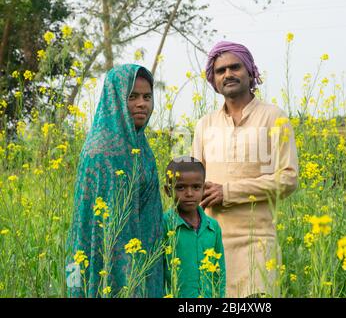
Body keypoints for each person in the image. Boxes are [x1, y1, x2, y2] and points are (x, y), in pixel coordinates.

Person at [192, 41, 299, 297]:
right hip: (211, 244)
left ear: (250, 71)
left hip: (258, 244)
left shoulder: (274, 117)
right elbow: (195, 185)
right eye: (220, 71)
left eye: (235, 67)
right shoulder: (205, 125)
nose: (228, 74)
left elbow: (288, 179)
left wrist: (229, 192)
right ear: (213, 80)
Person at [66, 64, 164, 298]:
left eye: (147, 97)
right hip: (113, 267)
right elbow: (106, 229)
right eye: (132, 97)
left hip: (143, 259)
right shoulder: (102, 151)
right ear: (115, 99)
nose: (142, 104)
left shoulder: (140, 145)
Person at [163, 156, 226, 298]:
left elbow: (219, 272)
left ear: (204, 189)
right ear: (168, 191)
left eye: (196, 187)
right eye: (180, 187)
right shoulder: (164, 225)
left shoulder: (213, 227)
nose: (189, 193)